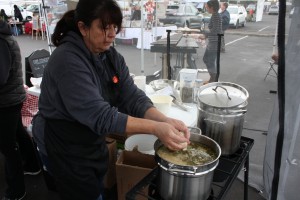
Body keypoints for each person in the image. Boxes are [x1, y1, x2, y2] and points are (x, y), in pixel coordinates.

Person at [33, 0, 190, 199]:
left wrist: (164, 120)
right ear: (83, 27)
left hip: (90, 139)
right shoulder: (67, 60)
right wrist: (155, 128)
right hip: (64, 145)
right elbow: (101, 116)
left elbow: (131, 96)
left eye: (115, 27)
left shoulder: (109, 55)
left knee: (97, 187)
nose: (112, 34)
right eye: (104, 27)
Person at [0, 19, 41, 200]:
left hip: (6, 100)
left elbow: (0, 77)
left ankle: (16, 191)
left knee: (8, 146)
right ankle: (33, 165)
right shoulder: (5, 37)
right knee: (18, 134)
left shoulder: (1, 41)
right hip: (12, 97)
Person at [202, 0, 222, 83]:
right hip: (212, 41)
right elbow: (212, 28)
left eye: (207, 7)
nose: (206, 9)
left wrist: (205, 35)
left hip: (215, 42)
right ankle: (213, 77)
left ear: (212, 7)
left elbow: (215, 30)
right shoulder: (214, 15)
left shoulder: (216, 16)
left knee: (209, 60)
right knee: (206, 59)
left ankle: (213, 78)